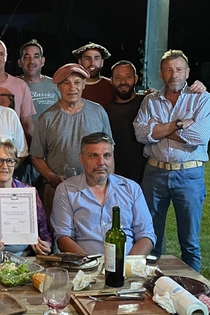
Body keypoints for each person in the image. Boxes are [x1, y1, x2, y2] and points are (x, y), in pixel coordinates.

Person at [51, 133, 156, 315]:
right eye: (94, 156)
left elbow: (147, 234)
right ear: (82, 159)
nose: (101, 162)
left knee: (166, 300)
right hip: (85, 267)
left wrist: (126, 263)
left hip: (128, 266)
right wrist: (92, 265)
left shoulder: (130, 188)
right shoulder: (67, 191)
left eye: (106, 155)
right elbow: (62, 236)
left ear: (113, 158)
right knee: (74, 309)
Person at [134, 49, 210, 272]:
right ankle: (150, 285)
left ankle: (194, 292)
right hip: (154, 174)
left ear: (187, 72)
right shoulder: (150, 100)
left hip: (189, 175)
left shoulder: (202, 99)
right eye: (169, 70)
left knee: (189, 242)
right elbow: (140, 134)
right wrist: (178, 125)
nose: (174, 74)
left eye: (179, 69)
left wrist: (157, 130)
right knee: (150, 236)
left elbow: (199, 136)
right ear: (161, 74)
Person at [30, 63, 112, 214]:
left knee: (93, 233)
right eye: (66, 83)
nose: (72, 88)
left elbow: (110, 152)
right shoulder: (46, 118)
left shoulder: (98, 112)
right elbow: (36, 156)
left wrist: (108, 184)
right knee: (58, 234)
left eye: (77, 82)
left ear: (83, 85)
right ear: (58, 87)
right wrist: (51, 177)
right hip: (58, 190)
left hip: (93, 189)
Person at [0, 38, 35, 139]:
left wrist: (30, 152)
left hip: (13, 150)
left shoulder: (20, 86)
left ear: (6, 57)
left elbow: (28, 125)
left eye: (1, 54)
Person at [105, 60, 147, 183]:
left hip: (147, 175)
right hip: (117, 176)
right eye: (118, 77)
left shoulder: (147, 103)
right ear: (111, 80)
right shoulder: (105, 111)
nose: (123, 82)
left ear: (135, 78)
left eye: (127, 77)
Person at [17, 39, 59, 116]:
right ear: (20, 63)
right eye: (27, 57)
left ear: (42, 61)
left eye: (36, 56)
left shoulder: (56, 85)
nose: (31, 61)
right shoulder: (13, 85)